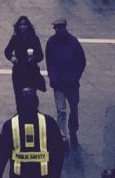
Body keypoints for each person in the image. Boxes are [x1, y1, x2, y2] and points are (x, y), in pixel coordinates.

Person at [0, 88, 65, 178]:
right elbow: (58, 153)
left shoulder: (10, 125)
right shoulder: (49, 123)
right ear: (37, 103)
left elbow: (0, 157)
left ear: (19, 104)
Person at [45, 18, 85, 148]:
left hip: (72, 83)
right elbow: (49, 62)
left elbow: (81, 61)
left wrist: (75, 76)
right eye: (56, 28)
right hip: (59, 83)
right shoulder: (51, 42)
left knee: (74, 108)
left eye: (59, 27)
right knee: (61, 110)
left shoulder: (73, 42)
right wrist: (53, 76)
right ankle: (63, 135)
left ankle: (73, 129)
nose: (57, 30)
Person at [4, 15, 45, 99]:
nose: (22, 27)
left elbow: (40, 55)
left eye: (25, 25)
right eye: (21, 25)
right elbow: (7, 50)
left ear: (28, 26)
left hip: (31, 70)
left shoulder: (34, 38)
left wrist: (34, 58)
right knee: (19, 97)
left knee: (31, 97)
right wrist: (12, 57)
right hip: (18, 71)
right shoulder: (15, 38)